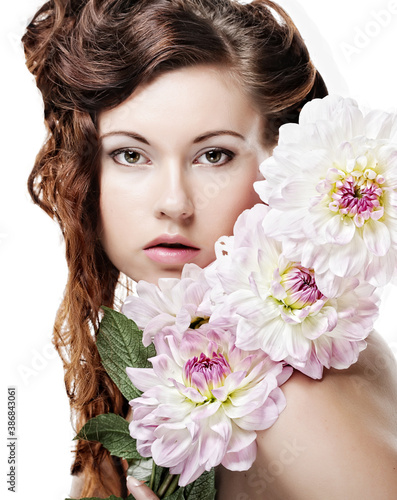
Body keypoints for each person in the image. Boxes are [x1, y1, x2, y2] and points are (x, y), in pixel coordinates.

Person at [21, 0, 397, 498]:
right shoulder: (180, 356)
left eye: (213, 155)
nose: (174, 204)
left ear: (284, 164)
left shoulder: (291, 397)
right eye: (131, 155)